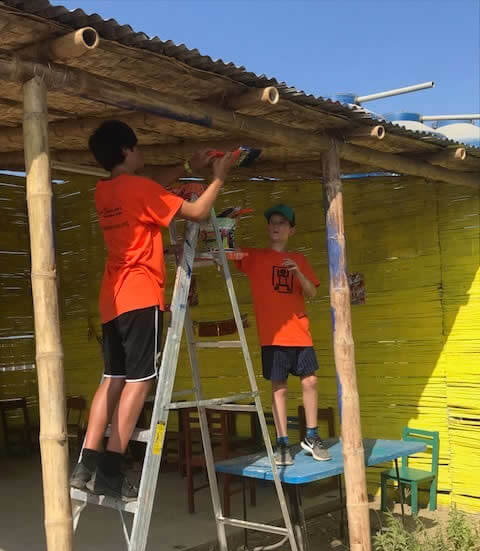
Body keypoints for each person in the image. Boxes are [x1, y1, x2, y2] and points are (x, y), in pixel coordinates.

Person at [70, 120, 235, 500]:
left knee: (112, 377)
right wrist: (218, 177)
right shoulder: (141, 189)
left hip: (112, 298)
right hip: (141, 296)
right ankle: (112, 470)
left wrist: (185, 166)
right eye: (139, 147)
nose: (142, 153)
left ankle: (86, 464)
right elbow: (196, 211)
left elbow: (149, 183)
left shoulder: (105, 190)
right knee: (140, 381)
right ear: (127, 151)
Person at [235, 204, 332, 466]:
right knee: (278, 388)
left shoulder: (300, 259)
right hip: (272, 335)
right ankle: (281, 442)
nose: (276, 226)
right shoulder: (255, 256)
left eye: (282, 223)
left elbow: (312, 292)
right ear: (268, 228)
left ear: (292, 230)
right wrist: (226, 221)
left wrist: (297, 273)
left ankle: (311, 436)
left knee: (310, 381)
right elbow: (226, 252)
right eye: (272, 222)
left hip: (299, 332)